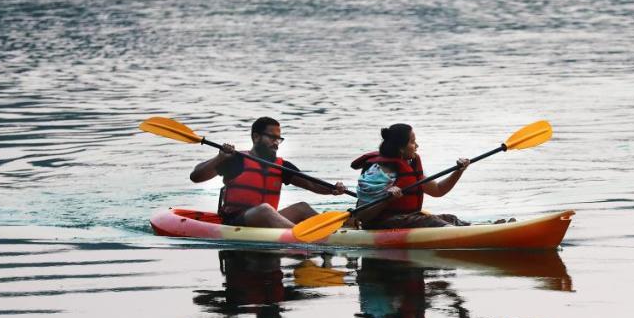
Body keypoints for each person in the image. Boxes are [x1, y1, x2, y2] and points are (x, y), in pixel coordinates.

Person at [190, 116, 345, 228]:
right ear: (256, 137)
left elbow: (312, 184)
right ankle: (303, 238)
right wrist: (219, 158)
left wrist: (333, 189)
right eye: (272, 138)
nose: (276, 143)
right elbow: (196, 176)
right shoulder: (236, 159)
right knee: (264, 210)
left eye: (278, 139)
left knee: (302, 208)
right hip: (236, 222)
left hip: (268, 219)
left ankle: (331, 234)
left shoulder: (282, 166)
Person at [350, 123, 470, 229]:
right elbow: (362, 217)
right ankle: (460, 235)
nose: (417, 146)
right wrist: (387, 199)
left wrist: (459, 171)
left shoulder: (408, 169)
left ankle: (473, 231)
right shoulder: (376, 174)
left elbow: (438, 190)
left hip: (405, 220)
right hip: (379, 224)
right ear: (401, 149)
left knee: (451, 218)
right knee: (430, 221)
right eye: (412, 142)